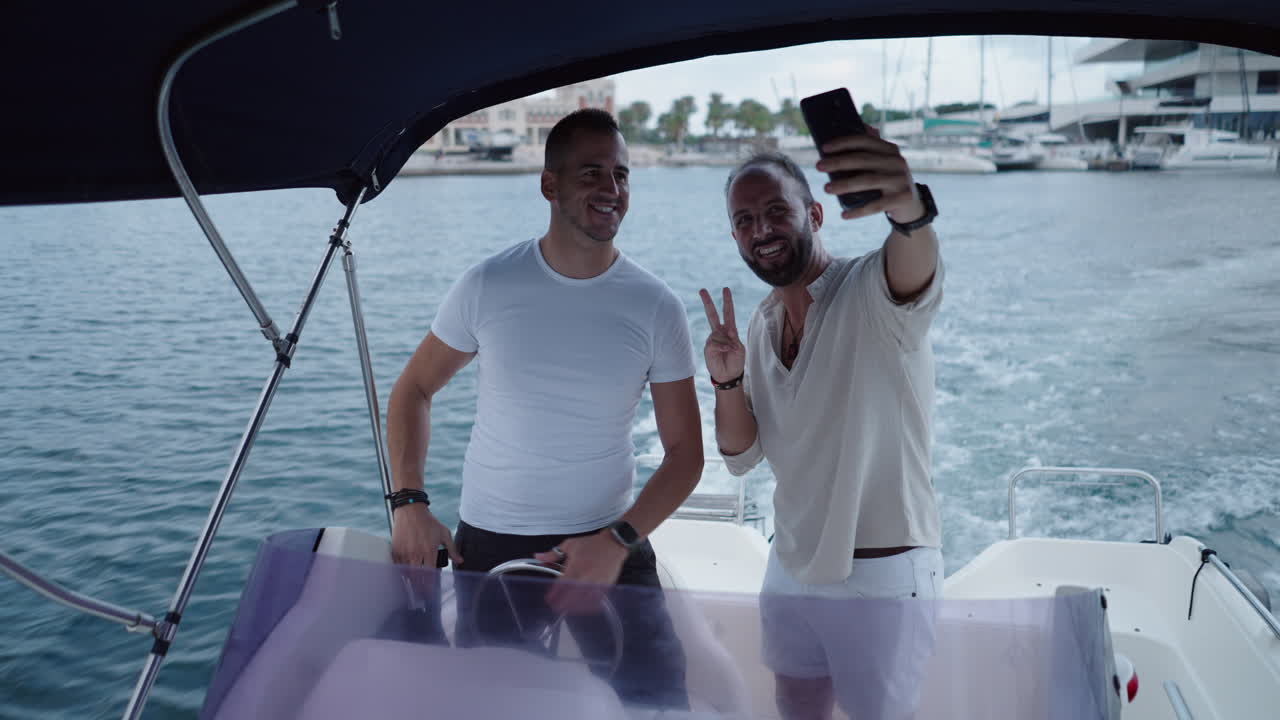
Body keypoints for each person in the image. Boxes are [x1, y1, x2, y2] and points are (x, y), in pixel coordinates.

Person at [384, 108, 702, 709]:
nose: (612, 191)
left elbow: (686, 454)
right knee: (496, 705)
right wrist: (409, 503)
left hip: (610, 535)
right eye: (592, 174)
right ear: (549, 185)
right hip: (492, 539)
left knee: (658, 702)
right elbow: (412, 391)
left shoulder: (656, 306)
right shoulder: (489, 285)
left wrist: (618, 539)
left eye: (622, 175)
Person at [699, 131, 944, 719]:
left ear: (813, 213)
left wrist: (907, 206)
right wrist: (727, 379)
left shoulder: (871, 292)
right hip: (790, 563)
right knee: (796, 707)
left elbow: (914, 257)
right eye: (744, 220)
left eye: (777, 211)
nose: (761, 231)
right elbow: (739, 454)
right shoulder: (760, 325)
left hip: (881, 571)